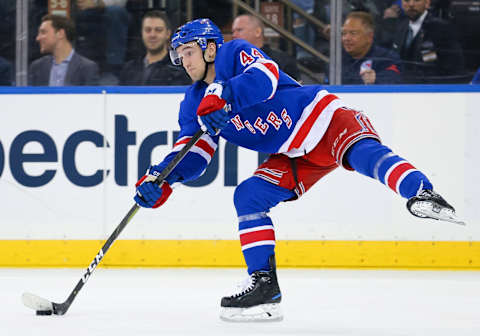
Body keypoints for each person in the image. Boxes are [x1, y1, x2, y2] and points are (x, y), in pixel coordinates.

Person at [133, 18, 463, 322]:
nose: (185, 61)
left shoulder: (233, 53)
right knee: (249, 196)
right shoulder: (192, 103)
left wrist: (225, 93)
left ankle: (421, 192)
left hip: (321, 118)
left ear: (209, 48)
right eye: (179, 54)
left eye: (189, 52)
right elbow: (195, 153)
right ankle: (265, 287)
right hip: (293, 156)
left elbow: (266, 77)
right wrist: (163, 177)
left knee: (365, 155)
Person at [392, 0, 465, 83]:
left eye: (416, 0)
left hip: (432, 88)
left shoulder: (442, 29)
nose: (411, 4)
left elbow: (454, 69)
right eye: (407, 0)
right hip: (402, 87)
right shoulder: (399, 27)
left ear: (427, 3)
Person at [119, 10, 190, 86]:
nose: (152, 35)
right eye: (148, 30)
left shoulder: (178, 70)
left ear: (168, 34)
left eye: (158, 30)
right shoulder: (129, 68)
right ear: (142, 33)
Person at [29, 14, 100, 86]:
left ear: (60, 34)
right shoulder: (37, 67)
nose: (37, 38)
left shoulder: (87, 68)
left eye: (43, 32)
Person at [232, 14, 300, 81]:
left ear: (257, 32)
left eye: (239, 30)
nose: (234, 35)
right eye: (233, 31)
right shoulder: (230, 61)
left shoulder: (282, 60)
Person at [341, 11, 402, 84]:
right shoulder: (337, 60)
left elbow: (393, 82)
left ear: (369, 36)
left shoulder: (387, 59)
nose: (346, 38)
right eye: (344, 33)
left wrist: (376, 80)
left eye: (353, 33)